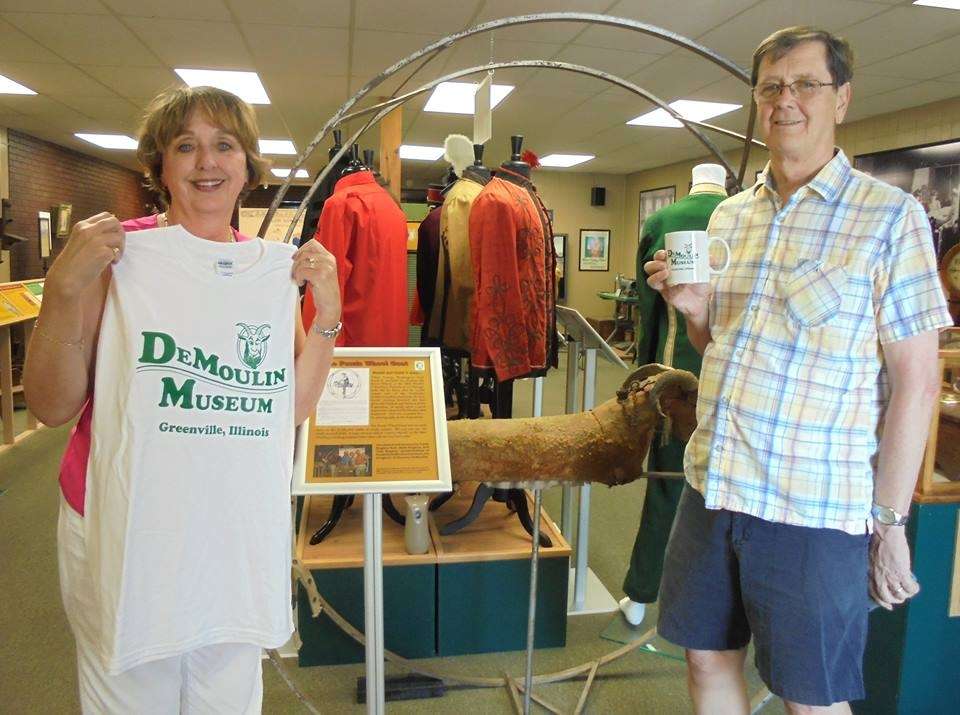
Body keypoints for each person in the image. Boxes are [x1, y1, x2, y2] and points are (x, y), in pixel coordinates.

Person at [644, 27, 950, 713]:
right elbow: (715, 339)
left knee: (808, 697)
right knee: (704, 660)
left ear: (841, 98)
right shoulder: (729, 217)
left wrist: (889, 523)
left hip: (812, 507)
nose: (787, 100)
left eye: (805, 84)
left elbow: (917, 383)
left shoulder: (889, 219)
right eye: (772, 86)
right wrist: (691, 308)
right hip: (714, 483)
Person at [23, 86, 342, 713]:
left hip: (228, 527)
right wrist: (62, 291)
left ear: (247, 166)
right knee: (133, 694)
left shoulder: (267, 273)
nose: (207, 163)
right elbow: (52, 407)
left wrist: (328, 313)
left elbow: (289, 407)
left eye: (224, 146)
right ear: (160, 166)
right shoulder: (119, 258)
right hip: (123, 523)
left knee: (226, 697)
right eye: (186, 146)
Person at [620, 163, 727, 627]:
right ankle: (718, 602)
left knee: (666, 484)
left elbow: (648, 303)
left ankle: (642, 595)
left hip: (680, 373)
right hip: (739, 377)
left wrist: (641, 370)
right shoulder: (746, 217)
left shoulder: (666, 219)